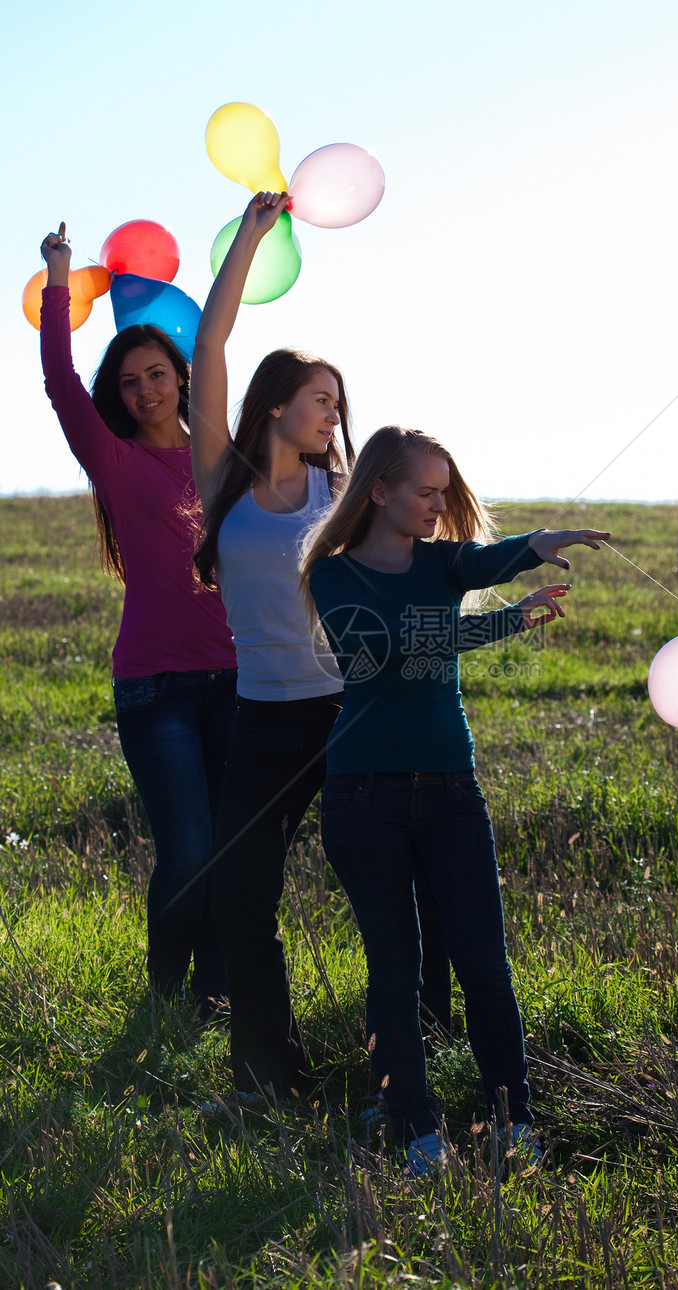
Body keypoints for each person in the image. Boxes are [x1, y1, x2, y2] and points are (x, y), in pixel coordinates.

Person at [302, 425, 610, 1173]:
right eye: (426, 492)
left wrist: (538, 541)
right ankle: (415, 1130)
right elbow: (389, 649)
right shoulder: (335, 575)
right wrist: (505, 620)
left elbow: (483, 558)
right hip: (362, 795)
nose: (440, 507)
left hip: (450, 793)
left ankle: (516, 1122)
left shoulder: (445, 563)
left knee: (483, 963)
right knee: (395, 967)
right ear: (379, 491)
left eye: (446, 492)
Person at [38, 224, 238, 1017]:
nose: (145, 391)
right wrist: (59, 278)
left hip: (237, 680)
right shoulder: (115, 462)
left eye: (157, 374)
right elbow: (59, 381)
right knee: (188, 848)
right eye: (129, 383)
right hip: (155, 688)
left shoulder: (225, 454)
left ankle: (215, 994)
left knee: (229, 848)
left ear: (182, 378)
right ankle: (163, 995)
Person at [189, 191, 358, 1101]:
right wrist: (250, 240)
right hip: (263, 720)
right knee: (241, 897)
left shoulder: (345, 484)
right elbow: (208, 350)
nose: (334, 414)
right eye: (320, 400)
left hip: (349, 712)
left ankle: (399, 1061)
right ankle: (266, 1077)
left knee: (383, 890)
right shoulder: (223, 475)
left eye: (338, 401)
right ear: (277, 405)